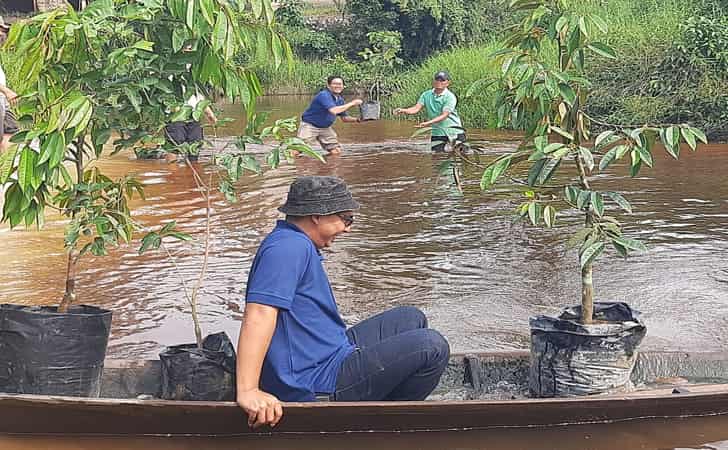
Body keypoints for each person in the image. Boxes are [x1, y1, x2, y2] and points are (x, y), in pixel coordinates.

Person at [236, 176, 450, 429]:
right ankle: (388, 430)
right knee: (432, 346)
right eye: (346, 219)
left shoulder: (296, 242)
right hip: (315, 379)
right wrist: (248, 390)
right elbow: (260, 312)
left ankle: (378, 405)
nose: (348, 228)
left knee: (410, 317)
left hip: (328, 352)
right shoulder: (287, 249)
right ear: (317, 215)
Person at [393, 71, 466, 152]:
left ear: (448, 83)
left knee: (462, 156)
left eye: (442, 80)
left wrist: (428, 123)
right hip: (437, 132)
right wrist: (403, 110)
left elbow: (444, 115)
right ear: (433, 81)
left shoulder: (450, 97)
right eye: (437, 80)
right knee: (436, 157)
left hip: (454, 131)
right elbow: (416, 108)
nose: (439, 82)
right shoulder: (426, 95)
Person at [297, 76, 363, 155]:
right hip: (310, 126)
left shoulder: (340, 100)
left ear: (343, 86)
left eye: (340, 84)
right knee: (297, 149)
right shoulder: (324, 95)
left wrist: (358, 120)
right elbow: (334, 110)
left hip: (325, 128)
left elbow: (344, 118)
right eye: (335, 84)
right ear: (328, 86)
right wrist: (352, 103)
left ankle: (326, 166)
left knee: (336, 152)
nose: (337, 86)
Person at [0, 16, 19, 154]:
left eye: (3, 30)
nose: (2, 35)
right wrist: (6, 91)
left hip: (3, 102)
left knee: (11, 132)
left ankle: (5, 169)